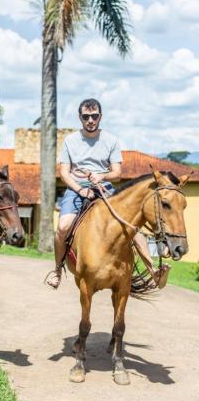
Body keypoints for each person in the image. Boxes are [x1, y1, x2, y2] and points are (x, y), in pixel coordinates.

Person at [47, 98, 160, 289]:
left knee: (131, 224)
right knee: (63, 227)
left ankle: (152, 270)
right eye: (86, 116)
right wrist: (80, 189)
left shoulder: (111, 140)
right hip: (76, 189)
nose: (90, 120)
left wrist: (101, 176)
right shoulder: (70, 141)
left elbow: (117, 173)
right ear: (80, 117)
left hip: (105, 189)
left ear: (100, 116)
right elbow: (64, 173)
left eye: (94, 116)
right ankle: (57, 269)